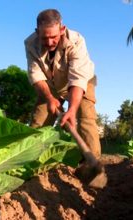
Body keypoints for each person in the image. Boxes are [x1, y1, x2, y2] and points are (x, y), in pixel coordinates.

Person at [24, 9, 101, 159]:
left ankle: (92, 162)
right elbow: (36, 75)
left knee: (86, 118)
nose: (49, 42)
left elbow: (77, 78)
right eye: (44, 38)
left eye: (53, 37)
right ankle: (29, 160)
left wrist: (71, 109)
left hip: (82, 81)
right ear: (37, 31)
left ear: (62, 29)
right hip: (50, 84)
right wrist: (50, 98)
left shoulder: (77, 41)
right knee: (39, 121)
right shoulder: (30, 43)